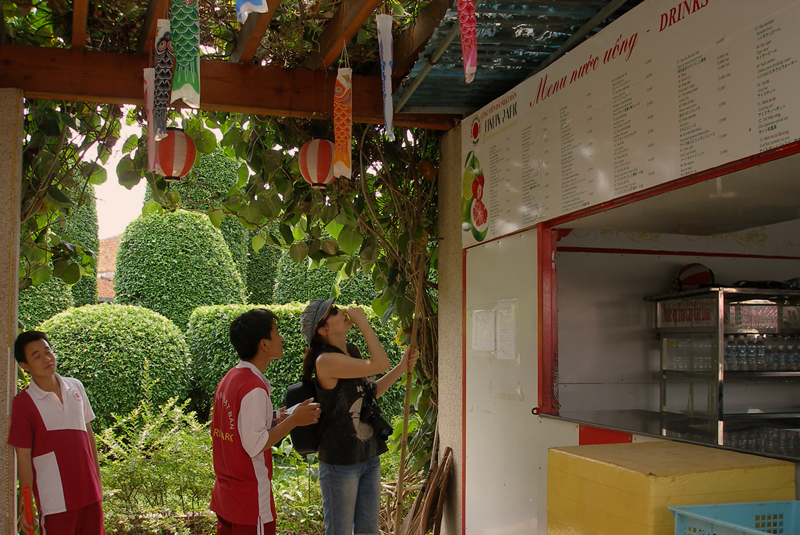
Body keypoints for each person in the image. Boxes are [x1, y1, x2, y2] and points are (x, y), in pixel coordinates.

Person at [300, 298, 418, 535]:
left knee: (368, 531)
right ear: (323, 330)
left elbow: (370, 394)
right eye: (333, 312)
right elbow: (379, 363)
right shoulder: (325, 361)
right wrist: (363, 323)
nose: (341, 311)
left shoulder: (351, 350)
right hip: (340, 463)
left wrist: (401, 367)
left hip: (368, 456)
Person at [210, 308, 321, 535]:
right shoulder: (253, 388)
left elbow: (235, 424)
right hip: (249, 501)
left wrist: (275, 417)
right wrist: (294, 421)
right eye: (276, 332)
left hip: (228, 496)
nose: (281, 338)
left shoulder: (231, 378)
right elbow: (255, 444)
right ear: (264, 344)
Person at [8, 330, 105, 535]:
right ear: (24, 366)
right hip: (56, 501)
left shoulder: (75, 386)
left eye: (47, 351)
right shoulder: (23, 403)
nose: (46, 358)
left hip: (90, 493)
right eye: (37, 356)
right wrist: (27, 505)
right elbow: (23, 456)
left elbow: (88, 436)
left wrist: (97, 481)